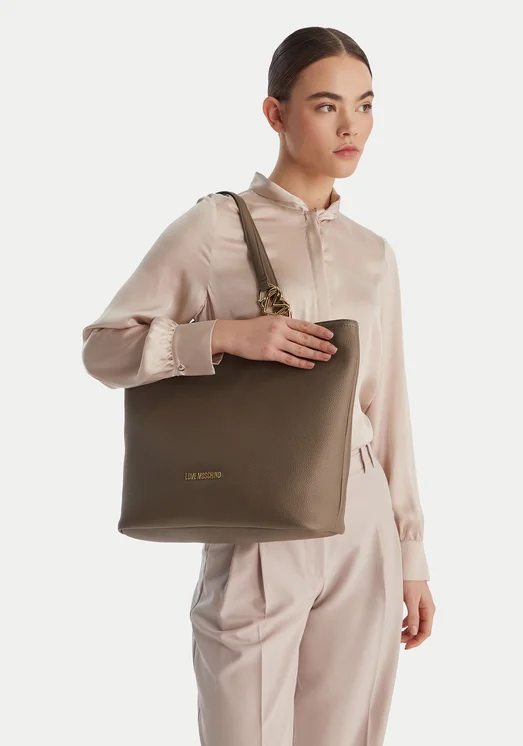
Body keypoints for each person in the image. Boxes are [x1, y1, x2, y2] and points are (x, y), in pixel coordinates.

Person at [82, 25, 436, 746]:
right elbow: (104, 348)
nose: (351, 127)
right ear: (275, 113)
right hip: (258, 517)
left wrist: (412, 556)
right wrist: (223, 337)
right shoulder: (215, 227)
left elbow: (388, 407)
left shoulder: (374, 254)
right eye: (327, 106)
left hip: (362, 519)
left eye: (365, 105)